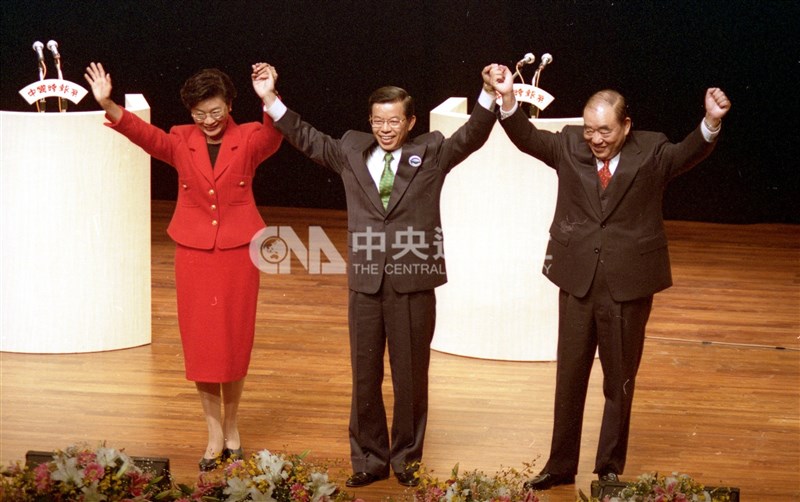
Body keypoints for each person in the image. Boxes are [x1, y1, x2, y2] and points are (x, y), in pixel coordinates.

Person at [252, 62, 500, 488]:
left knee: (410, 377)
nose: (386, 129)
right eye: (378, 121)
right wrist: (270, 99)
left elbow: (472, 135)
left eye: (394, 121)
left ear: (411, 121)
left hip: (412, 281)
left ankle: (407, 458)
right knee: (364, 375)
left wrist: (489, 93)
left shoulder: (434, 151)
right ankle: (369, 458)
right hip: (365, 282)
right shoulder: (351, 150)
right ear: (370, 121)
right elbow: (307, 139)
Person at [489, 65, 731, 489]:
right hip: (578, 278)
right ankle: (560, 465)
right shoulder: (569, 145)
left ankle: (609, 468)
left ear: (626, 126)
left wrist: (710, 123)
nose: (595, 139)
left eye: (604, 130)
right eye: (589, 130)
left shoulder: (652, 151)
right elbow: (528, 139)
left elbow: (688, 152)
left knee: (618, 380)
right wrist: (508, 100)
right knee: (569, 376)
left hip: (627, 284)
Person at [84, 62, 282, 471]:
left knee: (233, 340)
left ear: (230, 105)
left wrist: (268, 97)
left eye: (215, 112)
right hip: (193, 252)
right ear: (190, 111)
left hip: (239, 250)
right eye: (199, 114)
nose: (208, 122)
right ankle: (213, 435)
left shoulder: (247, 138)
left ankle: (232, 427)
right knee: (203, 345)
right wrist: (107, 103)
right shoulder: (180, 139)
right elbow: (145, 135)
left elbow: (276, 132)